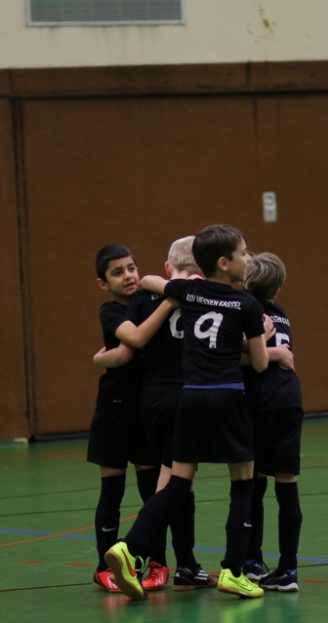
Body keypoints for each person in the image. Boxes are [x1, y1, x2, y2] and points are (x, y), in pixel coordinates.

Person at [104, 224, 272, 601]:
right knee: (243, 484)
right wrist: (263, 332)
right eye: (244, 253)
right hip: (228, 397)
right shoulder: (246, 304)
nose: (249, 259)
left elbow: (149, 280)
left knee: (178, 483)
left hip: (190, 397)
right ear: (224, 263)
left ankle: (128, 547)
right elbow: (260, 364)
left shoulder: (188, 291)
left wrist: (175, 285)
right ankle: (233, 571)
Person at [116, 236, 217, 591]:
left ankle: (185, 564)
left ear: (167, 267)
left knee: (179, 480)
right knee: (176, 483)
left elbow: (129, 346)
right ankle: (135, 552)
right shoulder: (205, 295)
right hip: (186, 394)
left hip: (151, 396)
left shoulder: (145, 296)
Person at [88, 245, 174, 592]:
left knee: (152, 490)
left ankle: (157, 562)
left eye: (131, 268)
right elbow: (129, 346)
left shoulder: (150, 300)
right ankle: (103, 567)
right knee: (112, 489)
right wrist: (170, 301)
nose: (128, 276)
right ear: (103, 283)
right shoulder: (110, 311)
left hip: (146, 410)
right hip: (114, 409)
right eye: (118, 272)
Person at [241, 252, 303, 593]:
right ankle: (289, 568)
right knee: (287, 482)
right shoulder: (281, 313)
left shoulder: (246, 309)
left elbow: (237, 354)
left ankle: (252, 560)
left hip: (260, 400)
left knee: (253, 480)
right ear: (277, 288)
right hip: (290, 398)